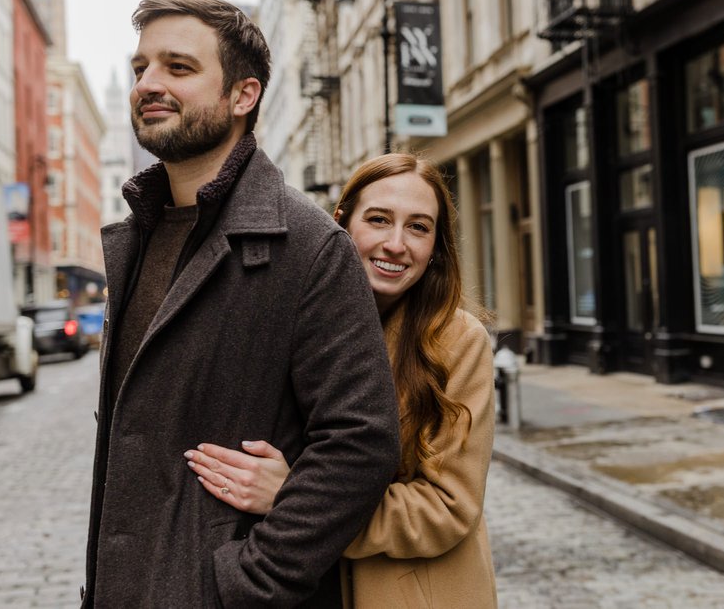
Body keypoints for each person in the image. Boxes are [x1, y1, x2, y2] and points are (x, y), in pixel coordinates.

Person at [83, 0, 400, 608]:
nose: (149, 83)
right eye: (140, 67)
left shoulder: (308, 245)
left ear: (243, 96)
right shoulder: (137, 239)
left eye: (178, 67)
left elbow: (360, 444)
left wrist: (244, 584)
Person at [187, 153, 499, 608]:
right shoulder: (295, 319)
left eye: (418, 227)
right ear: (340, 226)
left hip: (409, 593)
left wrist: (297, 500)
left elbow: (448, 508)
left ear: (436, 247)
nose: (396, 243)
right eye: (378, 219)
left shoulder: (456, 341)